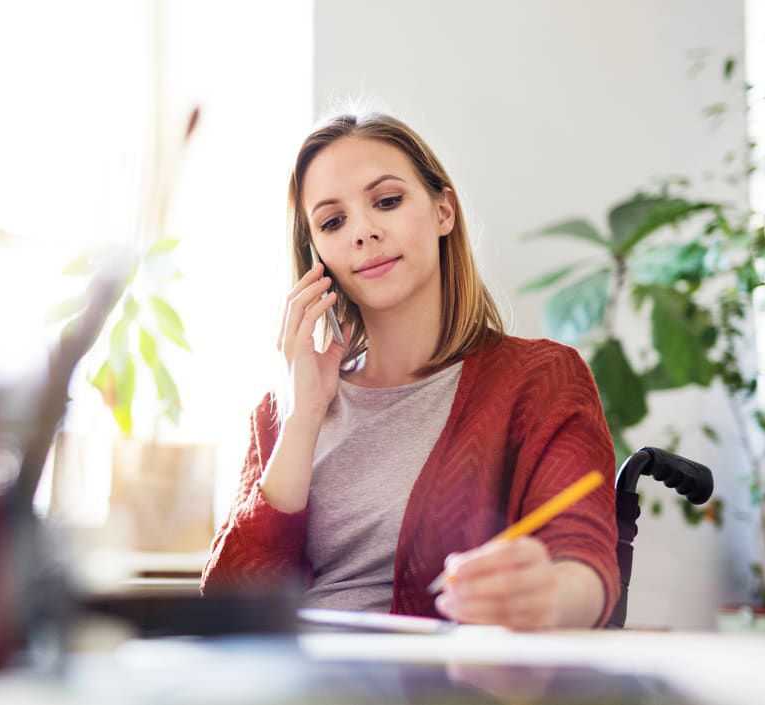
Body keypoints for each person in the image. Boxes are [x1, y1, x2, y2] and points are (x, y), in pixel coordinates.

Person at [200, 113, 618, 630]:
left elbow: (585, 565)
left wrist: (546, 596)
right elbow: (225, 614)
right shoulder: (280, 410)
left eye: (387, 201)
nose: (364, 232)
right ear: (317, 258)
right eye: (333, 222)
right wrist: (303, 415)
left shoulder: (540, 380)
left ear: (443, 211)